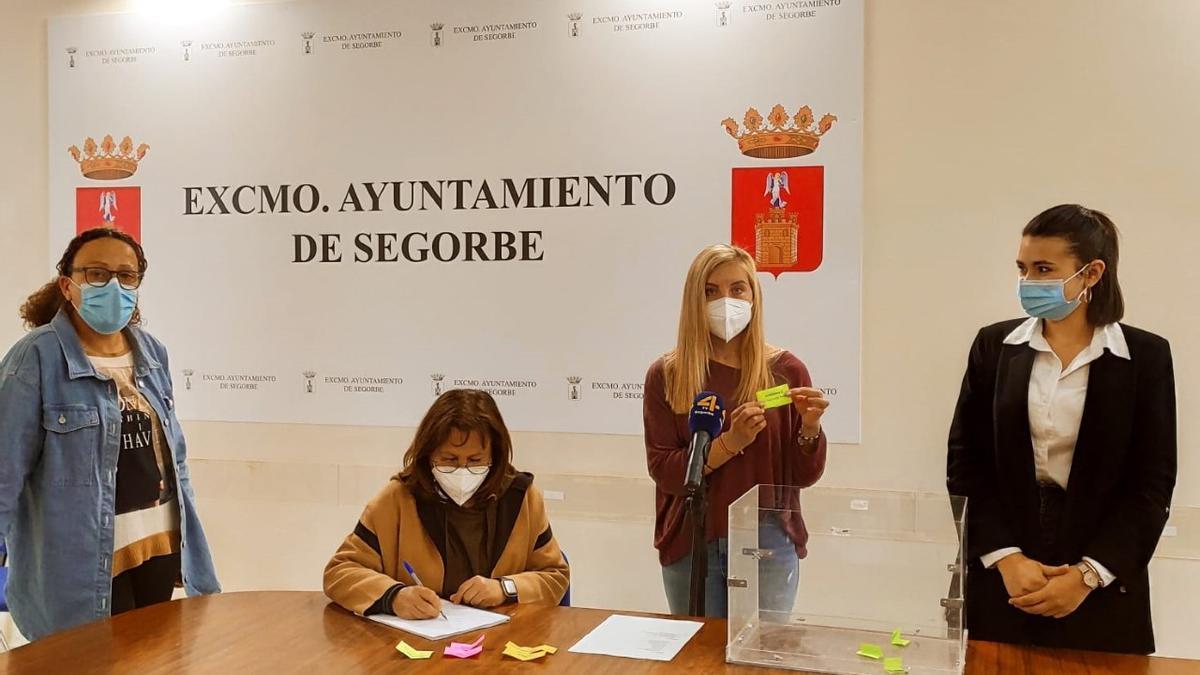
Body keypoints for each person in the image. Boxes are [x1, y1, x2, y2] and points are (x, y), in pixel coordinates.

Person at [947, 204, 1176, 654]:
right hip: (1007, 574)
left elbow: (1152, 483)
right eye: (1023, 268)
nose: (1029, 282)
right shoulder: (995, 346)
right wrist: (1005, 557)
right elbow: (965, 462)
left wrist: (1088, 574)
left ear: (1092, 274)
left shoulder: (1146, 357)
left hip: (1102, 577)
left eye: (1044, 269)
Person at [0, 228, 220, 641]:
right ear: (69, 285)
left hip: (157, 544)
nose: (114, 286)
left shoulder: (153, 353)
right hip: (80, 565)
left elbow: (174, 457)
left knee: (153, 662)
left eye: (127, 275)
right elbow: (4, 470)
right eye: (97, 274)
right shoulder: (36, 358)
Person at [644, 244, 829, 618]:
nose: (724, 301)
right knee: (696, 660)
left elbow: (802, 476)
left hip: (768, 540)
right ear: (692, 299)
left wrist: (809, 428)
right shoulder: (668, 374)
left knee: (760, 661)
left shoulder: (786, 370)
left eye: (737, 289)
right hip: (692, 541)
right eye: (710, 291)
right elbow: (664, 469)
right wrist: (730, 443)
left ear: (754, 297)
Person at [324, 389, 569, 618]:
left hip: (503, 643)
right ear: (428, 454)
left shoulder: (522, 499)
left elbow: (555, 577)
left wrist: (505, 588)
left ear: (495, 457)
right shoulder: (398, 499)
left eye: (475, 460)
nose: (462, 470)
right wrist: (394, 596)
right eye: (449, 459)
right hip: (417, 647)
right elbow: (339, 573)